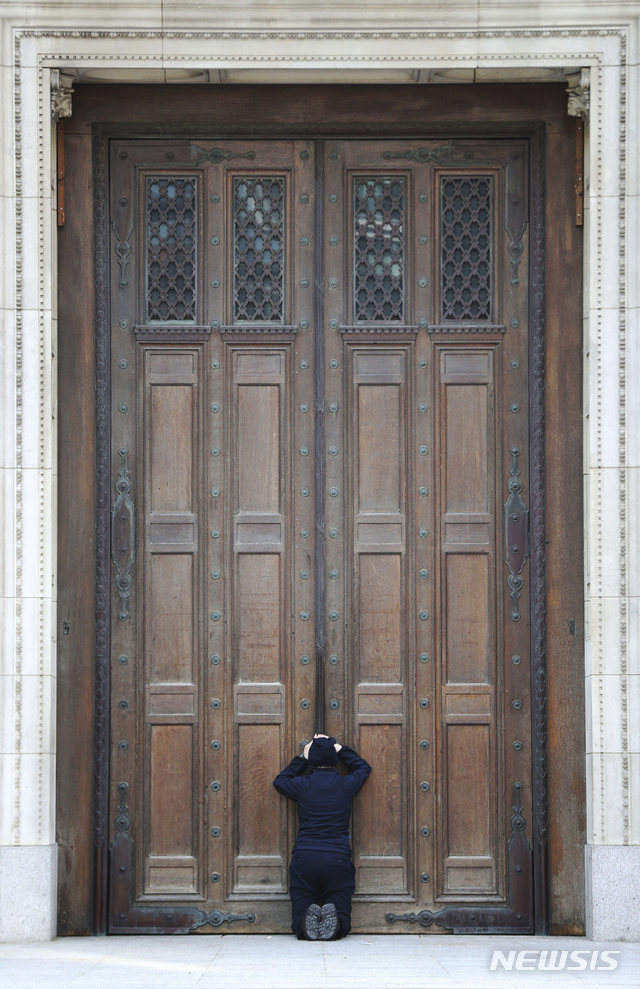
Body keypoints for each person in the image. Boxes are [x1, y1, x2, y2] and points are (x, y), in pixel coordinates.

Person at [273, 733, 372, 941]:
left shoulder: (302, 785)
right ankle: (335, 925)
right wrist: (339, 748)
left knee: (301, 904)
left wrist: (302, 757)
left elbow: (280, 781)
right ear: (333, 760)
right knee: (340, 906)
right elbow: (363, 767)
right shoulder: (346, 785)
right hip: (337, 857)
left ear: (312, 760)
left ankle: (304, 923)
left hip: (305, 856)